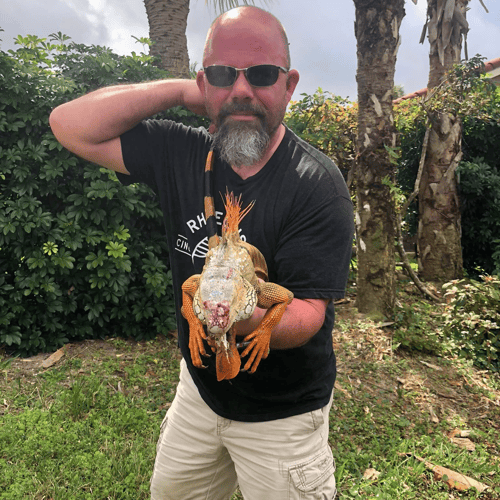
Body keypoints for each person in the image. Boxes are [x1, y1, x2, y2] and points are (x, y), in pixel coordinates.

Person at [50, 6, 354, 499]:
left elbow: (307, 313)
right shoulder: (183, 151)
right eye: (221, 75)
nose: (241, 90)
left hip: (282, 413)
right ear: (203, 83)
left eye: (260, 75)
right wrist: (182, 91)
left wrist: (239, 317)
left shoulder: (317, 185)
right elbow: (68, 124)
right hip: (199, 394)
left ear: (289, 85)